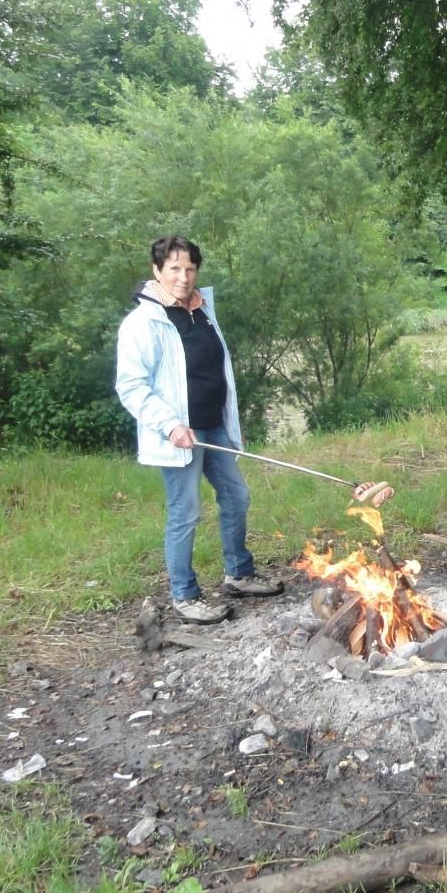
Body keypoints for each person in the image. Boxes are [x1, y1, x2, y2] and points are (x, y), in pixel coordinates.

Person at [117, 235, 394, 625]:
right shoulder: (143, 323)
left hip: (214, 426)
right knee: (185, 511)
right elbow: (131, 386)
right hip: (179, 435)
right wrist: (169, 425)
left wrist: (227, 420)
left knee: (236, 497)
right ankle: (185, 595)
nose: (183, 277)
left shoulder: (202, 309)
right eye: (174, 268)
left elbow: (215, 369)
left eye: (190, 269)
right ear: (157, 270)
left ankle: (239, 574)